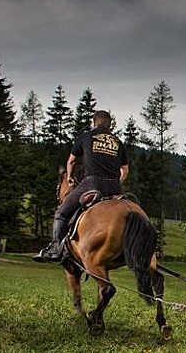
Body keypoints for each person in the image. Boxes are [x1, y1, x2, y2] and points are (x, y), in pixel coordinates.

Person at [34, 110, 129, 263]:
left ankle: (56, 248)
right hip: (114, 188)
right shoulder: (118, 142)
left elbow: (71, 161)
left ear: (94, 122)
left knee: (61, 213)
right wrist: (118, 183)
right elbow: (125, 170)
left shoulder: (86, 137)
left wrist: (70, 177)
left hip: (92, 184)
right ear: (109, 124)